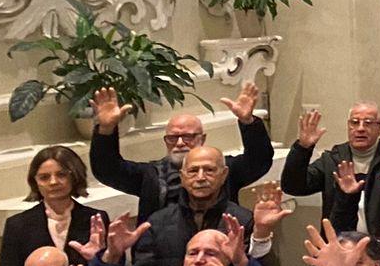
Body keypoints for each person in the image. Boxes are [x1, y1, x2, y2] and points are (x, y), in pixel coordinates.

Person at [87, 82, 274, 225]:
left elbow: (259, 160)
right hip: (162, 255)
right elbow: (107, 170)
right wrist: (106, 129)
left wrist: (248, 122)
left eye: (187, 137)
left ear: (202, 139)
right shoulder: (150, 175)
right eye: (173, 137)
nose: (179, 143)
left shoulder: (224, 170)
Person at [280, 104, 380, 252]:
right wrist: (302, 148)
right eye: (354, 122)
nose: (360, 128)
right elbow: (293, 186)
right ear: (348, 126)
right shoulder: (332, 159)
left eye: (368, 123)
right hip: (342, 248)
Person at [131, 144, 256, 266]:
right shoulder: (157, 222)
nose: (201, 177)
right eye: (193, 171)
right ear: (182, 177)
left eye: (209, 170)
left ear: (224, 174)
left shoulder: (242, 221)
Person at [1, 145, 109, 266]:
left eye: (61, 175)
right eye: (44, 177)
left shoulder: (95, 219)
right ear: (35, 182)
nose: (53, 182)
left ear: (75, 176)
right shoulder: (17, 225)